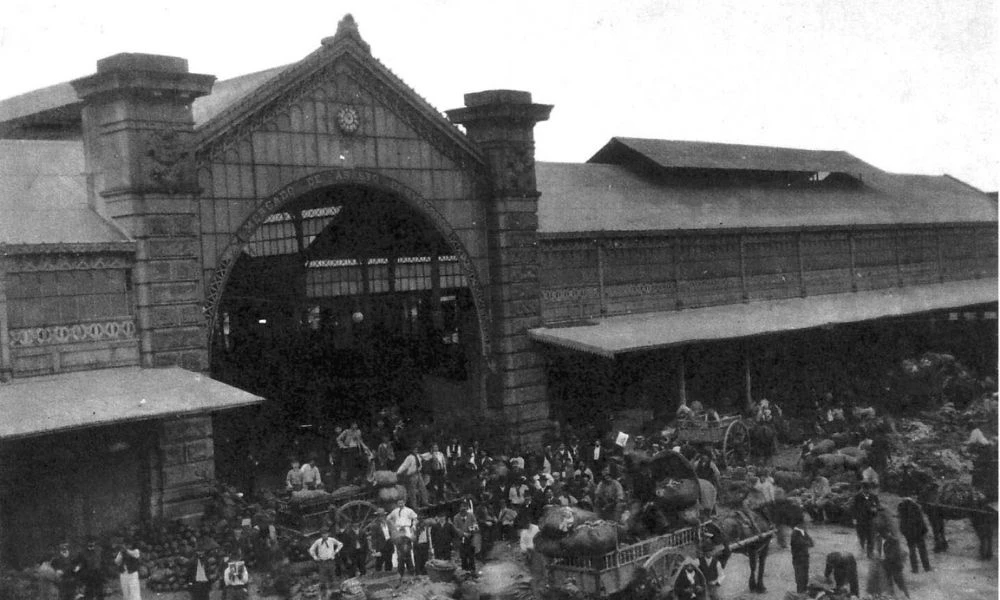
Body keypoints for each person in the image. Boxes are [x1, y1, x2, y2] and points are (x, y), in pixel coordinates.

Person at [897, 496, 932, 573]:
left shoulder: (901, 507)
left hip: (909, 533)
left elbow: (901, 522)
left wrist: (903, 531)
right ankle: (927, 567)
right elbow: (921, 521)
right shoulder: (916, 507)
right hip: (919, 532)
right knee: (922, 550)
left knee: (912, 551)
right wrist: (925, 530)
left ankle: (915, 569)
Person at [852, 482, 881, 558]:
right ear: (862, 488)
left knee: (871, 537)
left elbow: (878, 506)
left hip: (871, 519)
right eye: (865, 488)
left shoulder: (874, 496)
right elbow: (854, 508)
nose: (867, 490)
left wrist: (875, 509)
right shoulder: (857, 497)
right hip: (860, 519)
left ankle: (870, 553)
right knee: (861, 536)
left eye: (868, 488)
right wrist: (854, 519)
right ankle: (861, 551)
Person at [880, 533, 910, 598]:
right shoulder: (881, 541)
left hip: (894, 566)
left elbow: (894, 554)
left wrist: (884, 559)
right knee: (889, 584)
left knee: (900, 583)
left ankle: (907, 596)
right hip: (886, 565)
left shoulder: (894, 541)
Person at [453, 502, 478, 572]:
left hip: (470, 539)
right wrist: (463, 533)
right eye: (461, 507)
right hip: (461, 539)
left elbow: (476, 525)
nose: (463, 509)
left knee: (471, 556)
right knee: (463, 556)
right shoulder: (456, 517)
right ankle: (465, 571)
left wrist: (470, 531)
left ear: (467, 508)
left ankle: (472, 571)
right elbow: (455, 528)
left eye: (464, 507)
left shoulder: (471, 516)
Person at [790, 522, 814, 594]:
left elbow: (811, 543)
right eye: (806, 523)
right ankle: (800, 593)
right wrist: (807, 542)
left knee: (805, 577)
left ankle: (803, 592)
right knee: (800, 578)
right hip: (798, 559)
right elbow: (804, 543)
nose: (807, 525)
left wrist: (807, 542)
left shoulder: (803, 532)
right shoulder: (795, 533)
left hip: (805, 558)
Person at [369, 508, 395, 573]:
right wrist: (374, 548)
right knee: (379, 560)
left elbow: (392, 532)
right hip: (380, 545)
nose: (382, 517)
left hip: (389, 543)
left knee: (389, 559)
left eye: (383, 515)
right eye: (380, 516)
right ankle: (378, 573)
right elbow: (374, 537)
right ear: (377, 517)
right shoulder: (375, 525)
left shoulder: (388, 523)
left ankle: (388, 572)